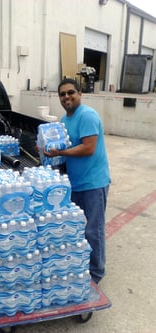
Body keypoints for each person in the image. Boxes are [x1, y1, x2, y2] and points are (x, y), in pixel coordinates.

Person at [44, 78, 111, 284]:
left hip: (93, 183)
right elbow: (64, 149)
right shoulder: (65, 120)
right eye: (62, 94)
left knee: (93, 229)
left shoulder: (87, 115)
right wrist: (49, 154)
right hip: (75, 182)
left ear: (80, 93)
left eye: (71, 92)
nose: (67, 97)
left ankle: (96, 274)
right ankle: (82, 265)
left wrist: (61, 151)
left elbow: (88, 147)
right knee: (78, 227)